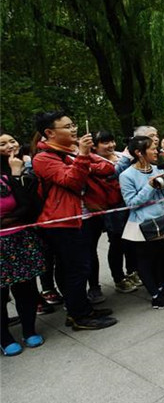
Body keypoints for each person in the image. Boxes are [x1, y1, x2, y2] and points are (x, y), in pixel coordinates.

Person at [32, 111, 117, 331]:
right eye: (67, 126)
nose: (74, 129)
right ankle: (79, 316)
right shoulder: (43, 158)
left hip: (84, 216)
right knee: (75, 268)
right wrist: (83, 157)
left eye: (73, 125)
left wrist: (82, 159)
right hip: (62, 221)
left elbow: (108, 167)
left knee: (83, 264)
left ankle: (81, 308)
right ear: (50, 132)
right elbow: (72, 181)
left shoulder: (72, 151)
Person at [118, 136, 164, 309]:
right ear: (139, 152)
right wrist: (150, 186)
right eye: (152, 148)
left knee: (160, 258)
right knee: (146, 261)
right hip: (142, 224)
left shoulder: (156, 169)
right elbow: (131, 203)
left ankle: (161, 289)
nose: (157, 152)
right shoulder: (126, 175)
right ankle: (155, 296)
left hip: (161, 219)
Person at [1, 133, 46, 355]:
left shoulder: (21, 170)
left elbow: (27, 205)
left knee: (26, 289)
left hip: (21, 239)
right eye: (2, 144)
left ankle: (29, 330)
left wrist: (16, 174)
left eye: (12, 141)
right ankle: (4, 337)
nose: (10, 146)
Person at [91, 131, 137, 294]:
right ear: (94, 147)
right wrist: (126, 159)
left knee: (131, 240)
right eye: (105, 143)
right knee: (117, 243)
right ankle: (119, 278)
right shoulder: (93, 160)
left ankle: (132, 271)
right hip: (112, 206)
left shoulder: (119, 155)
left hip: (128, 202)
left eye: (112, 141)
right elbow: (111, 174)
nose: (110, 145)